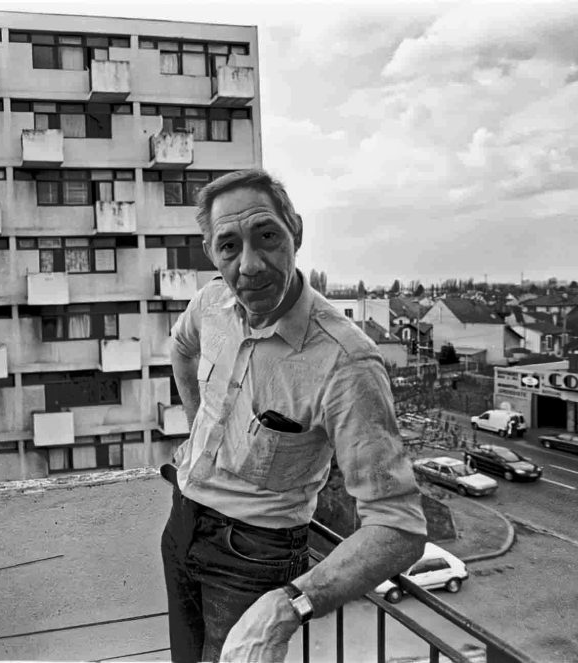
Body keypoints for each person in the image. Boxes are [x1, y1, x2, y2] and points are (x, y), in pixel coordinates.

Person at [162, 169, 427, 663]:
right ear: (211, 253)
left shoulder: (346, 361)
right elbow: (180, 348)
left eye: (267, 237)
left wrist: (289, 606)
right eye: (229, 247)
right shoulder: (211, 303)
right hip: (181, 521)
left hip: (252, 557)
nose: (251, 264)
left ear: (296, 232)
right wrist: (195, 432)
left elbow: (400, 526)